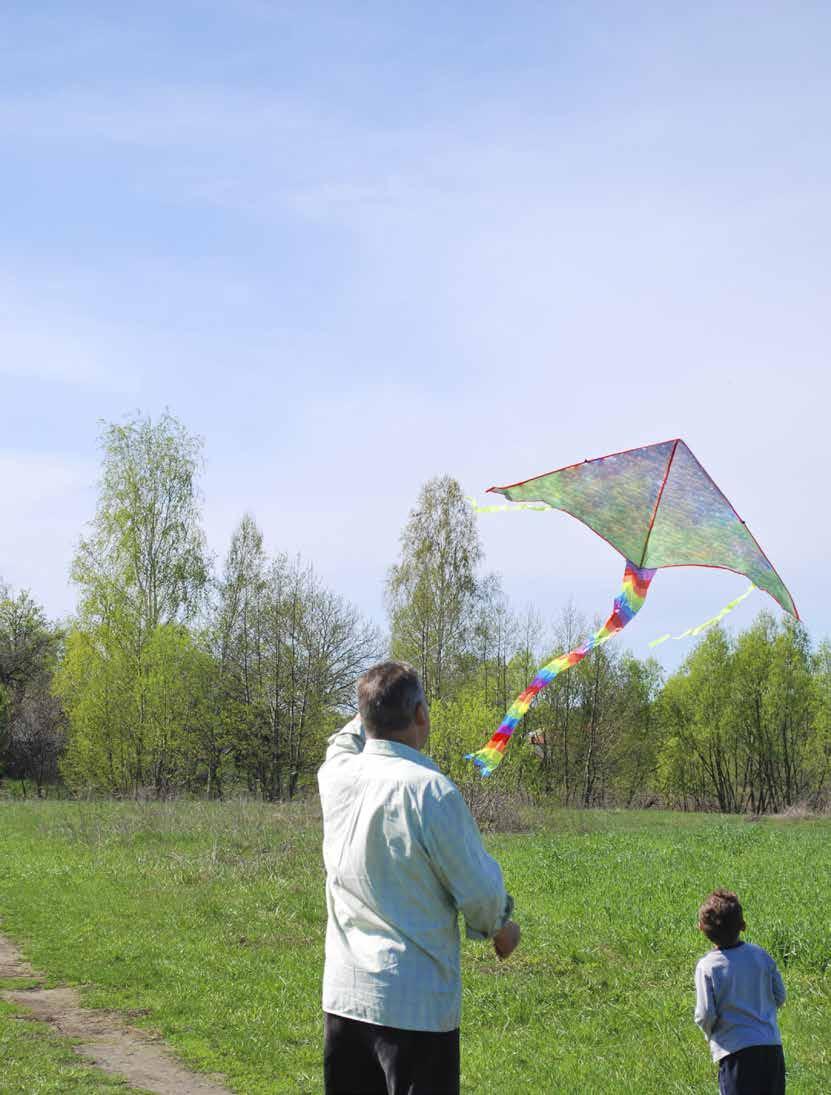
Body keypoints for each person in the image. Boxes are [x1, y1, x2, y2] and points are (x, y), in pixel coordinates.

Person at [318, 661, 520, 1095]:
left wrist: (373, 703)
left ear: (366, 717)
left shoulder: (335, 776)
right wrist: (500, 928)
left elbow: (341, 740)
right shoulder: (430, 790)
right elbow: (479, 889)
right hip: (415, 1006)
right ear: (421, 716)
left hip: (345, 997)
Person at [694, 889, 786, 1095]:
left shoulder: (708, 967)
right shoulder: (760, 956)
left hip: (735, 1053)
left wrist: (711, 1034)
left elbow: (705, 1014)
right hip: (771, 1049)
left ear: (702, 929)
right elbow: (780, 996)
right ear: (742, 926)